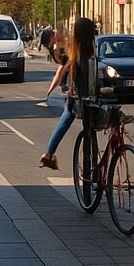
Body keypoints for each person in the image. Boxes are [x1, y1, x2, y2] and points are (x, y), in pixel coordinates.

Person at [39, 17, 96, 170]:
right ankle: (49, 155)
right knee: (71, 116)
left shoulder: (76, 49)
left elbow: (66, 70)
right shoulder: (86, 51)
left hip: (79, 96)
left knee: (65, 120)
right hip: (83, 97)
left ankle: (49, 154)